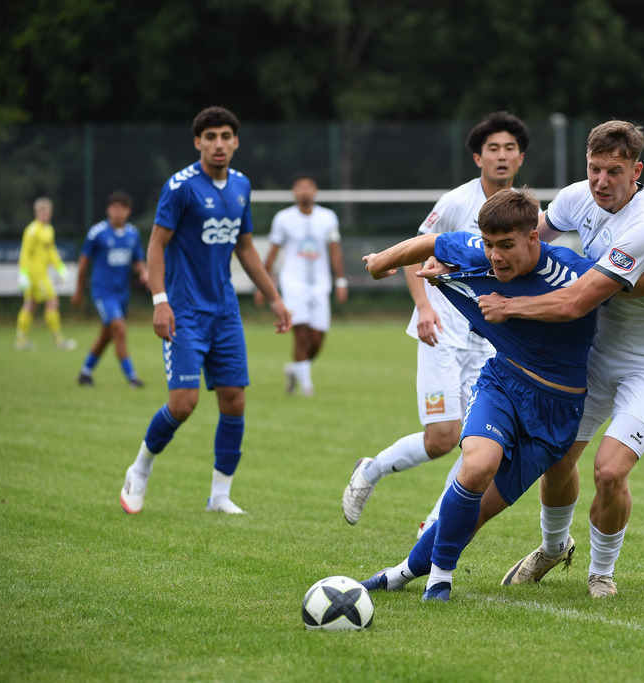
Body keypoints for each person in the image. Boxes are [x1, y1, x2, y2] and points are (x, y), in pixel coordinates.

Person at [358, 188, 644, 602]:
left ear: (534, 238)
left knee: (481, 509)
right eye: (488, 245)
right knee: (476, 468)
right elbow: (431, 241)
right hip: (502, 383)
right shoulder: (482, 251)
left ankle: (591, 570)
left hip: (557, 410)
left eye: (505, 246)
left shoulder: (575, 273)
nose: (495, 256)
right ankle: (422, 576)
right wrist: (380, 263)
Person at [479, 120, 644, 598]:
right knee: (556, 460)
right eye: (594, 168)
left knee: (609, 470)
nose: (601, 182)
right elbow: (523, 242)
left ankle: (601, 572)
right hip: (598, 353)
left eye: (614, 172)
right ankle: (553, 546)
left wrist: (508, 307)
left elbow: (574, 302)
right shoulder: (577, 196)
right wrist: (459, 263)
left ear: (636, 171)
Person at [342, 112, 530, 533]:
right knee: (442, 438)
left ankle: (434, 524)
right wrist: (424, 309)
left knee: (478, 441)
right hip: (442, 330)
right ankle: (370, 470)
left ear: (520, 158)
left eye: (510, 149)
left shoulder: (524, 210)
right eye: (493, 149)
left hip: (488, 340)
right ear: (478, 157)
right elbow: (414, 252)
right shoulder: (455, 202)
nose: (502, 156)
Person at [118, 106, 292, 515]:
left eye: (226, 136)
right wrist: (160, 302)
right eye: (210, 136)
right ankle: (140, 469)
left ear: (236, 142)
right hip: (183, 312)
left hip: (225, 311)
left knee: (234, 400)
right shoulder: (180, 187)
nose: (219, 144)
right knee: (183, 404)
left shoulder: (242, 186)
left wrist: (275, 297)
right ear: (198, 142)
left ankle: (219, 496)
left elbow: (245, 247)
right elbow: (156, 245)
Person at [255, 173, 347, 397]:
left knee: (317, 338)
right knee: (301, 333)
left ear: (315, 191)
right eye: (300, 187)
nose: (304, 191)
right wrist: (262, 285)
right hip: (293, 283)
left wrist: (341, 280)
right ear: (294, 192)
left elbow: (334, 250)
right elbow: (273, 251)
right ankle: (307, 387)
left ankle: (295, 369)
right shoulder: (283, 219)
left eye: (309, 187)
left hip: (320, 284)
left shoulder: (328, 217)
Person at [72, 190, 149, 387]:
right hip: (103, 291)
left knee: (107, 335)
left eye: (121, 208)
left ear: (128, 211)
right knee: (119, 330)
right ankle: (132, 377)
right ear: (108, 210)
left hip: (122, 292)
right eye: (113, 208)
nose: (117, 212)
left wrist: (144, 272)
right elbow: (83, 264)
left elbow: (138, 260)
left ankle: (85, 372)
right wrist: (79, 291)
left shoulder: (132, 234)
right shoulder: (97, 233)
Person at [15, 197, 76, 351]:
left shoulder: (49, 229)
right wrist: (23, 273)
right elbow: (25, 253)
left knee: (30, 304)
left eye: (47, 211)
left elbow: (52, 253)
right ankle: (57, 339)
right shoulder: (32, 230)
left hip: (42, 273)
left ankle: (21, 340)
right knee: (52, 301)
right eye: (41, 211)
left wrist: (61, 268)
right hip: (35, 275)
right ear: (36, 213)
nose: (45, 214)